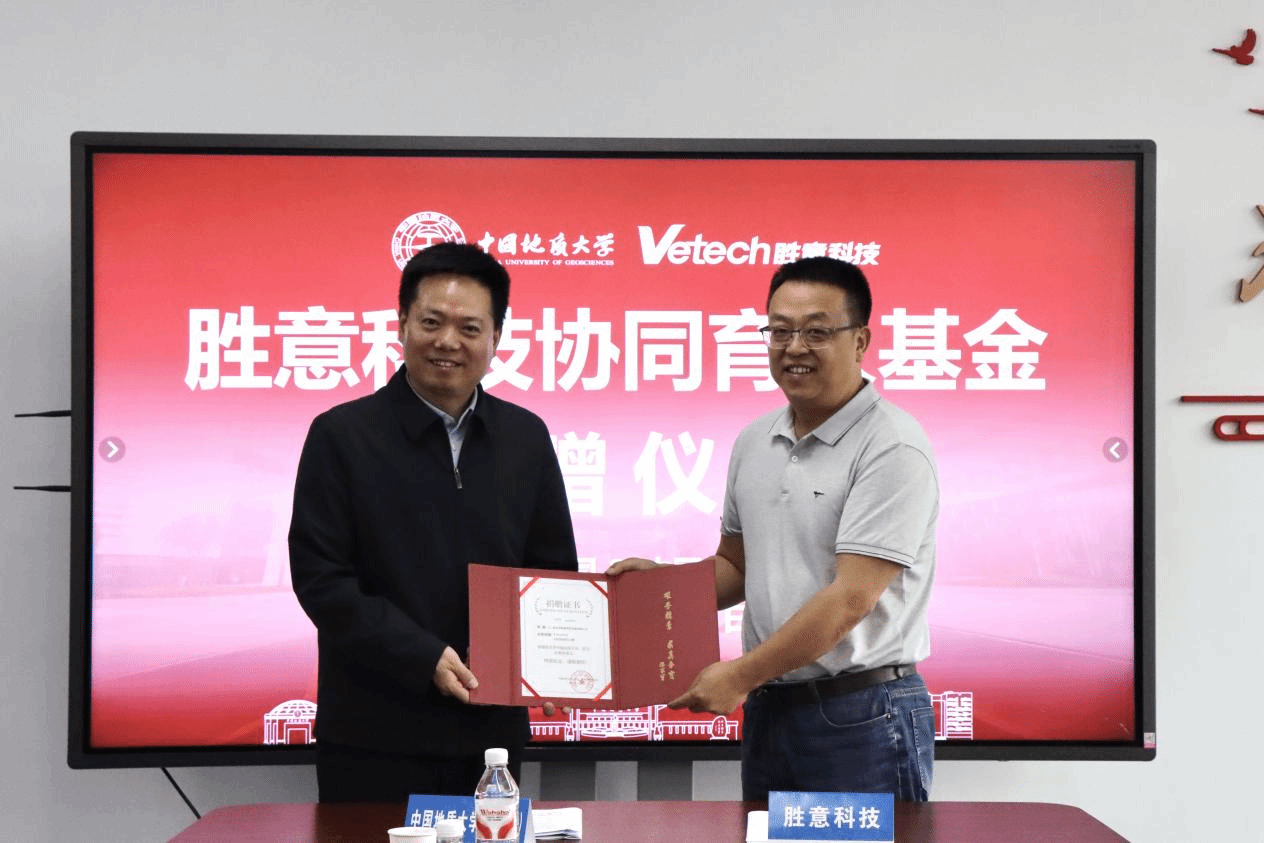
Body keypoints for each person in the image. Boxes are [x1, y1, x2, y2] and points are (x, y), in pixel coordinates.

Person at [609, 256, 938, 801]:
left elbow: (851, 598)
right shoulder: (755, 440)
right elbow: (738, 566)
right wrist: (663, 588)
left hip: (863, 714)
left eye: (816, 332)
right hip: (771, 710)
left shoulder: (892, 446)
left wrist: (739, 676)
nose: (794, 347)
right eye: (780, 331)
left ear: (860, 340)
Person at [289, 241, 578, 802]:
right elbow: (321, 580)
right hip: (373, 736)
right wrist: (421, 656)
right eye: (431, 322)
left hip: (490, 741)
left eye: (470, 328)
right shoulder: (341, 436)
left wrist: (553, 660)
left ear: (496, 338)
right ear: (402, 324)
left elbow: (551, 572)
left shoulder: (526, 438)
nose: (448, 341)